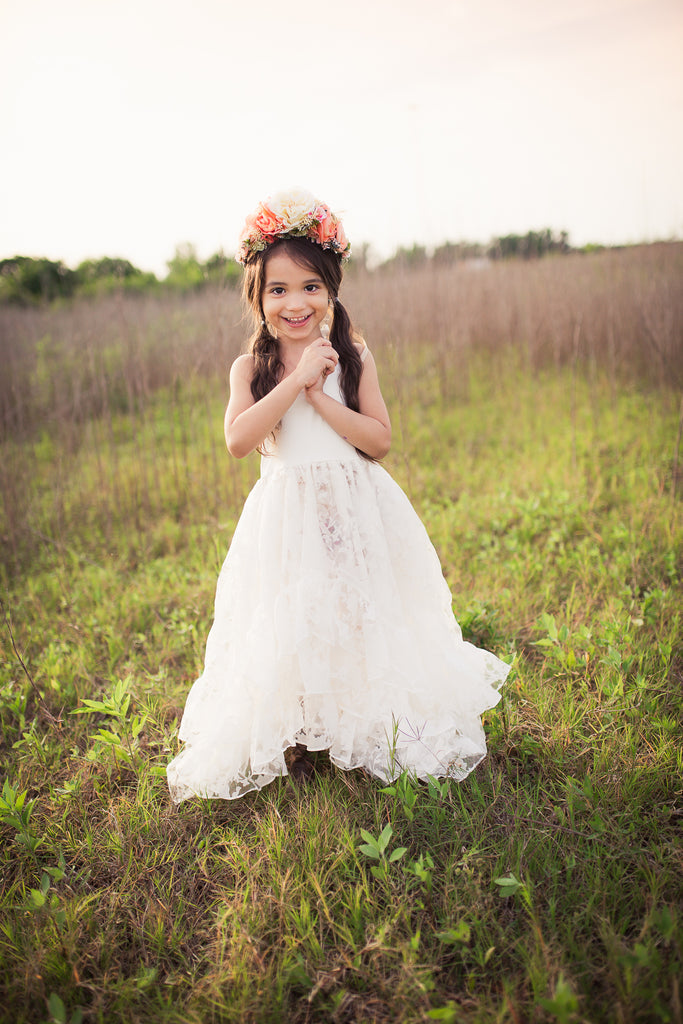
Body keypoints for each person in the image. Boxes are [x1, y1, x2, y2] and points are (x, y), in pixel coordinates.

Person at [167, 188, 510, 803]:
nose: (294, 303)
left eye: (309, 287)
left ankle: (360, 720)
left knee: (356, 609)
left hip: (354, 511)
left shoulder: (352, 356)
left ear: (331, 291)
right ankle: (300, 730)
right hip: (284, 517)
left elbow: (378, 440)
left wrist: (322, 395)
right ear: (258, 296)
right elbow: (240, 440)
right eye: (278, 290)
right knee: (293, 613)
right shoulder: (250, 367)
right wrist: (297, 380)